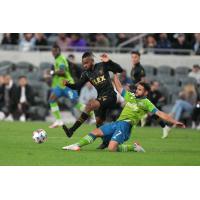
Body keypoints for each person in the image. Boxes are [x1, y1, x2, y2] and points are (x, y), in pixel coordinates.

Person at [62, 74, 185, 152]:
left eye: (140, 89)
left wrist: (175, 122)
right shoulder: (131, 96)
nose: (137, 91)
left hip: (126, 126)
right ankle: (76, 145)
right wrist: (114, 73)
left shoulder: (147, 103)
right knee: (95, 132)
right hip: (118, 123)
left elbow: (161, 114)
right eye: (137, 88)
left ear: (146, 92)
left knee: (111, 149)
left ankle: (134, 147)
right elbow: (120, 89)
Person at [62, 52, 123, 146]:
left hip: (111, 96)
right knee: (98, 122)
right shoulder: (86, 74)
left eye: (86, 62)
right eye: (83, 63)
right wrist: (67, 84)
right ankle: (106, 141)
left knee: (91, 104)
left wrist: (109, 61)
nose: (84, 65)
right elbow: (77, 86)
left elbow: (119, 69)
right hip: (101, 98)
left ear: (92, 61)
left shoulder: (102, 65)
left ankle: (72, 130)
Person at [130, 51, 170, 138]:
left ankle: (164, 126)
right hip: (136, 92)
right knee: (149, 112)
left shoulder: (140, 69)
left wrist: (132, 86)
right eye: (132, 57)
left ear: (139, 58)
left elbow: (143, 82)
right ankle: (163, 126)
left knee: (152, 112)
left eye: (135, 57)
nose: (133, 59)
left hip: (142, 94)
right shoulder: (134, 67)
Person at [48, 44, 85, 128]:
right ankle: (59, 121)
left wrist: (53, 72)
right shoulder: (57, 59)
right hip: (60, 85)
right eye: (52, 51)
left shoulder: (61, 59)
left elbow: (62, 72)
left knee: (76, 103)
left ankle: (92, 113)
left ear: (59, 51)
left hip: (67, 85)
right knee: (51, 99)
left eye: (55, 51)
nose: (53, 52)